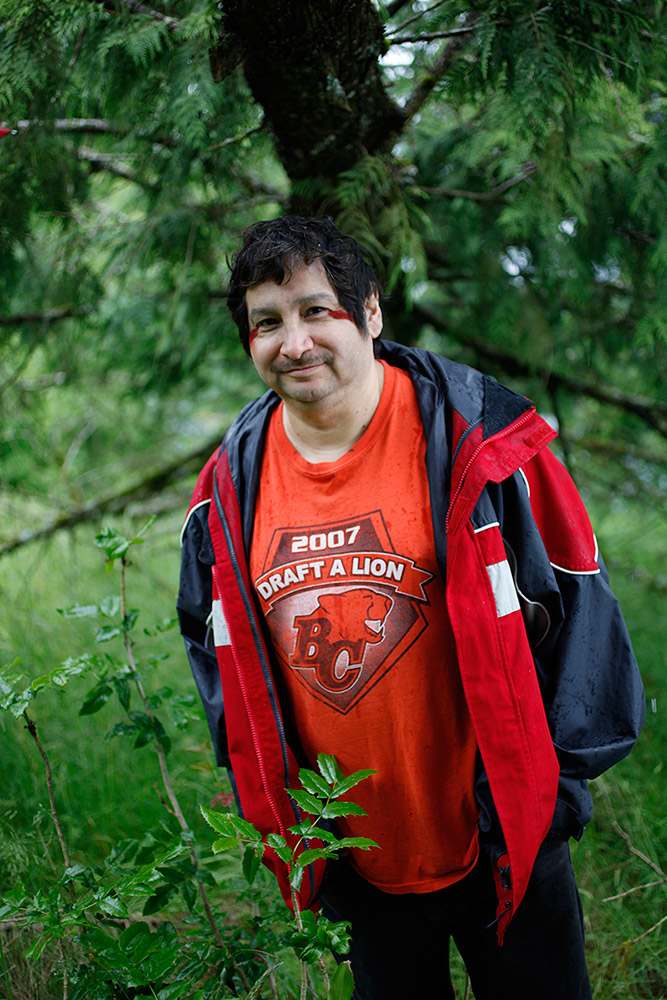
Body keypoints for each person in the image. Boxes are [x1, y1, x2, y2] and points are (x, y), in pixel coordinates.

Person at [177, 215, 645, 999]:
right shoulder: (226, 490)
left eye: (315, 310)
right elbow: (215, 653)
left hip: (501, 836)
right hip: (355, 855)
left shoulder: (485, 443)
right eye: (267, 322)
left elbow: (579, 604)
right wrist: (274, 810)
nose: (293, 343)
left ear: (369, 314)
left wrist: (552, 788)